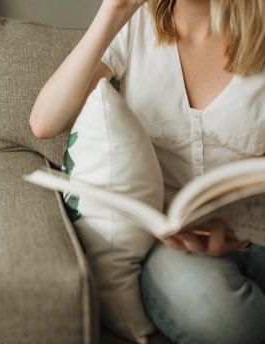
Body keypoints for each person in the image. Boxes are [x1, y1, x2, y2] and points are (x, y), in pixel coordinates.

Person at [29, 0, 265, 343]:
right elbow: (45, 122)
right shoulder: (134, 26)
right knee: (218, 317)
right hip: (180, 248)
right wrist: (113, 11)